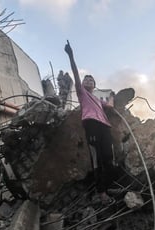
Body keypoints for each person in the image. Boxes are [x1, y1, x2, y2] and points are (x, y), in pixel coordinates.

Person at [64, 40, 114, 204]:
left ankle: (108, 186)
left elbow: (111, 106)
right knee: (97, 158)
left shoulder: (98, 100)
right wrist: (71, 55)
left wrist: (112, 96)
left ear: (95, 85)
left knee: (108, 157)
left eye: (91, 81)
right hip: (91, 124)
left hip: (105, 127)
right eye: (86, 80)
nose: (88, 81)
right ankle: (101, 192)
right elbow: (75, 73)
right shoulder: (82, 93)